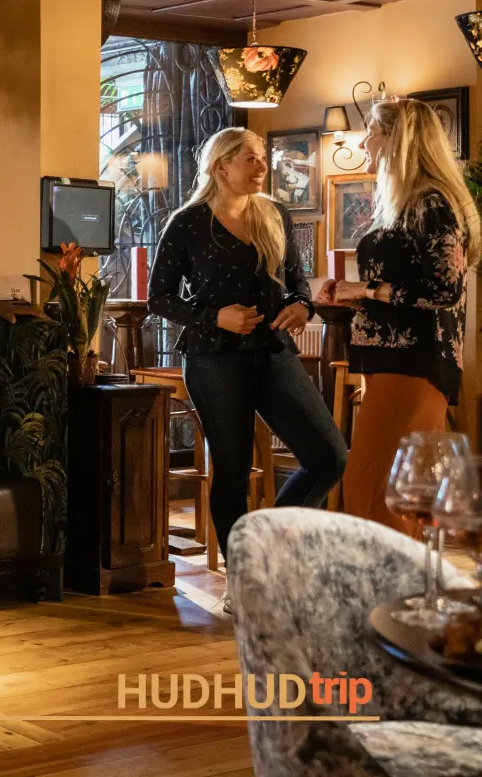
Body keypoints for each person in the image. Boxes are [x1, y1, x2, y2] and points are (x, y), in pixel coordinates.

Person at [149, 127, 347, 566]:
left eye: (262, 158)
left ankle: (268, 548)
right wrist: (216, 316)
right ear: (221, 166)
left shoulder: (274, 213)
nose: (262, 167)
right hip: (213, 359)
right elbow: (158, 298)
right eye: (251, 159)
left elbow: (297, 282)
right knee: (233, 471)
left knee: (329, 457)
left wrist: (302, 306)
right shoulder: (187, 223)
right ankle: (244, 577)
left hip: (274, 353)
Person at [316, 98, 481, 534]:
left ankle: (381, 591)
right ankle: (389, 591)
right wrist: (357, 298)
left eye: (371, 132)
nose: (364, 142)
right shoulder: (407, 202)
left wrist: (364, 289)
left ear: (396, 139)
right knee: (382, 488)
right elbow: (406, 289)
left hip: (415, 362)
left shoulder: (431, 203)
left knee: (374, 487)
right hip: (393, 362)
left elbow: (444, 291)